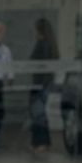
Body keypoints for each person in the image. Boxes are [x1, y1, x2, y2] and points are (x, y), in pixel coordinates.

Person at [29, 18, 59, 152]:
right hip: (43, 83)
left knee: (38, 113)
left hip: (41, 84)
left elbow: (42, 65)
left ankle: (41, 142)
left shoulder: (44, 45)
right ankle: (41, 141)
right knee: (39, 112)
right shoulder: (48, 44)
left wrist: (41, 85)